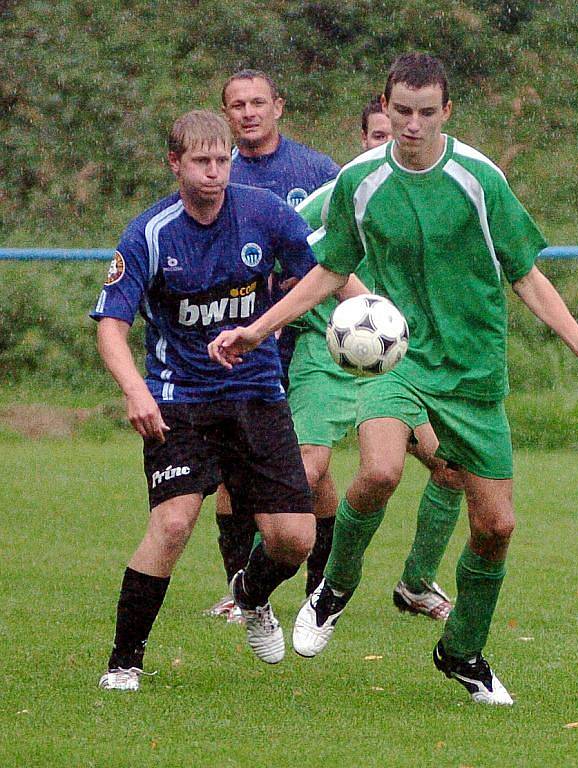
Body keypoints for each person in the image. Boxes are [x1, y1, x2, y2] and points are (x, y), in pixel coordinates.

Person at [208, 53, 578, 706]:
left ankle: (461, 651)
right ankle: (333, 589)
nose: (411, 126)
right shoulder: (360, 180)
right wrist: (259, 329)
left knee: (496, 527)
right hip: (399, 362)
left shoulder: (477, 179)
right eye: (401, 112)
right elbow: (327, 268)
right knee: (379, 471)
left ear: (447, 112)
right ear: (387, 104)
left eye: (426, 114)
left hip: (473, 374)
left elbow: (525, 272)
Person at [92, 110, 317, 691]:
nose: (215, 172)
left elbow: (323, 272)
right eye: (201, 161)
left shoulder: (264, 212)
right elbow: (111, 327)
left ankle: (250, 592)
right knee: (172, 523)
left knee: (295, 538)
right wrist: (137, 392)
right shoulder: (150, 232)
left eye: (223, 161)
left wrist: (374, 310)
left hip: (256, 393)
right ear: (175, 163)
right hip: (179, 399)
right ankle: (124, 661)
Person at [290, 96, 464, 620]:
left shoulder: (424, 199)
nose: (388, 143)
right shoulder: (336, 194)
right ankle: (252, 582)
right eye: (376, 135)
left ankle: (415, 582)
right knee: (310, 471)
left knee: (451, 466)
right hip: (327, 357)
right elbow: (290, 242)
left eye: (395, 135)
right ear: (362, 139)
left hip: (398, 364)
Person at [207, 69, 340, 622]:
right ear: (226, 114)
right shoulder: (215, 175)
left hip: (307, 339)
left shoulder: (316, 171)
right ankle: (241, 587)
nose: (248, 112)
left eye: (257, 102)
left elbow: (344, 247)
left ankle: (319, 585)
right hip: (243, 343)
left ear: (278, 106)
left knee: (313, 470)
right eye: (236, 104)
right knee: (233, 474)